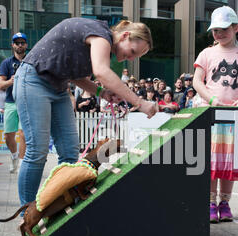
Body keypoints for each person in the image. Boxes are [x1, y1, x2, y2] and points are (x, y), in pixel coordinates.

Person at [13, 18, 158, 206]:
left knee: (70, 153)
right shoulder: (101, 35)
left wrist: (102, 93)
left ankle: (57, 206)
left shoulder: (101, 40)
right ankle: (27, 213)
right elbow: (101, 72)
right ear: (125, 36)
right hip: (33, 79)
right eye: (132, 52)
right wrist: (139, 102)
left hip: (59, 86)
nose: (130, 58)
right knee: (37, 151)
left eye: (134, 57)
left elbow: (76, 77)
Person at [192, 6, 238, 223]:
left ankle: (225, 202)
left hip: (234, 116)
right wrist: (211, 100)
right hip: (210, 113)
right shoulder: (207, 53)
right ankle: (210, 202)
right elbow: (196, 81)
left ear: (236, 28)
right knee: (212, 161)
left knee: (229, 161)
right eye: (215, 30)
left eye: (224, 29)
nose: (219, 34)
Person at [0, 32, 28, 174]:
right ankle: (14, 156)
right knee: (8, 136)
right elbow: (0, 85)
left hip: (27, 102)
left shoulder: (31, 60)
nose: (20, 45)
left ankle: (22, 164)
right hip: (10, 102)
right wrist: (12, 80)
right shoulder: (6, 63)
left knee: (23, 134)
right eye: (17, 43)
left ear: (26, 45)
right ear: (13, 45)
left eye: (22, 42)